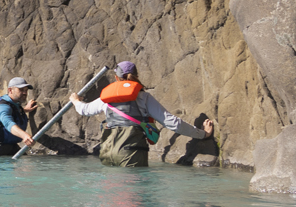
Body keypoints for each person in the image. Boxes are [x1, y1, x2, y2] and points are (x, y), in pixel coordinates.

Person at [69, 61, 215, 167]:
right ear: (136, 76)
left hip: (108, 155)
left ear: (116, 78)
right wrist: (203, 134)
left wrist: (75, 101)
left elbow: (84, 110)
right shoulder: (144, 98)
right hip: (130, 155)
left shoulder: (106, 99)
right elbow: (172, 123)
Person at [0, 77, 40, 156]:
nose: (24, 93)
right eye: (21, 90)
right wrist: (24, 135)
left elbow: (12, 113)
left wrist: (24, 110)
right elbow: (8, 123)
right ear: (10, 90)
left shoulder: (14, 104)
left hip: (10, 145)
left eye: (26, 90)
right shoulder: (2, 106)